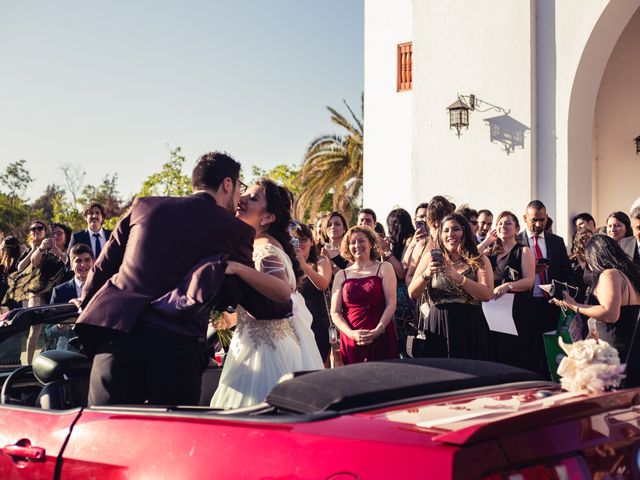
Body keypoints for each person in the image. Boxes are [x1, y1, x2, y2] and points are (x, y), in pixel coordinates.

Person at [76, 151, 293, 407]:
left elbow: (102, 266)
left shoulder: (143, 206)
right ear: (227, 184)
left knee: (106, 431)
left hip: (117, 338)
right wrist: (288, 306)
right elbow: (251, 299)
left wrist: (83, 303)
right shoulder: (235, 230)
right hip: (175, 350)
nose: (239, 197)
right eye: (239, 187)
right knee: (170, 439)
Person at [211, 180, 323, 408]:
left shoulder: (263, 250)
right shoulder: (264, 244)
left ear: (267, 217)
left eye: (253, 198)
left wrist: (237, 268)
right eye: (246, 194)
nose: (242, 199)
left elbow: (281, 291)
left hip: (263, 355)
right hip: (271, 343)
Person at [552, 234, 640, 388]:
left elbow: (610, 314)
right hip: (631, 350)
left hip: (615, 353)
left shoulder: (610, 274)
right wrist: (575, 304)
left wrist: (576, 307)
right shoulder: (628, 275)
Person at [408, 213, 493, 359]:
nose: (450, 234)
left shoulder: (479, 259)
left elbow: (487, 294)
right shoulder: (430, 257)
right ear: (440, 235)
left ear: (465, 231)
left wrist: (458, 278)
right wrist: (427, 274)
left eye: (456, 229)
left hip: (470, 326)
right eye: (446, 230)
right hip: (438, 326)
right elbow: (412, 293)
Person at [330, 226, 398, 364]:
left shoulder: (384, 268)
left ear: (371, 243)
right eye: (352, 242)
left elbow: (391, 303)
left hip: (382, 335)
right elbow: (335, 312)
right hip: (352, 339)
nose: (357, 245)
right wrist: (351, 334)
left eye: (361, 241)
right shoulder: (341, 275)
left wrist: (378, 330)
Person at [486, 212, 535, 370]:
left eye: (508, 223)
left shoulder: (524, 251)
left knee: (515, 354)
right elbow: (470, 258)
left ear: (517, 228)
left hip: (517, 312)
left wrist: (508, 285)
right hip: (493, 312)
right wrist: (487, 241)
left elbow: (529, 281)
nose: (503, 227)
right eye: (500, 224)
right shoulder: (490, 253)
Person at [17, 221, 69, 363]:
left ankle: (54, 359)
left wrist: (55, 250)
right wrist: (36, 249)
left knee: (56, 328)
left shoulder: (55, 246)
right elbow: (20, 267)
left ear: (45, 231)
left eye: (40, 228)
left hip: (54, 292)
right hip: (37, 292)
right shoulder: (31, 249)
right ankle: (28, 365)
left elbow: (68, 263)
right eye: (33, 229)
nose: (36, 231)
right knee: (34, 331)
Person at [292, 222, 332, 362]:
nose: (299, 243)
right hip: (294, 324)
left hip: (317, 324)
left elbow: (323, 284)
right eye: (295, 239)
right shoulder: (287, 263)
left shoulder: (321, 261)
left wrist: (304, 266)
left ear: (311, 241)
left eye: (303, 239)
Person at [46, 243, 94, 351]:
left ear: (93, 262)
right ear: (71, 265)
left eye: (87, 260)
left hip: (97, 349)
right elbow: (48, 333)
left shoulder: (103, 287)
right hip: (68, 352)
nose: (83, 265)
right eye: (78, 261)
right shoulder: (59, 292)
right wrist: (61, 327)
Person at [383, 208, 416, 355]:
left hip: (403, 296)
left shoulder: (410, 240)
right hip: (391, 293)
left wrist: (386, 251)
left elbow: (401, 272)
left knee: (406, 341)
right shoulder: (392, 242)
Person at [405, 196, 455, 286]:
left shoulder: (456, 242)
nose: (437, 224)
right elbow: (409, 278)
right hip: (427, 298)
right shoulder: (422, 244)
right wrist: (425, 277)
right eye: (434, 219)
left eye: (443, 219)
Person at [569, 228, 594, 304]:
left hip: (591, 296)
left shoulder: (596, 259)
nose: (586, 240)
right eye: (583, 238)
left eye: (589, 237)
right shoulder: (571, 260)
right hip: (574, 296)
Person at [0, 236, 21, 310]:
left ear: (9, 249)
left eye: (3, 246)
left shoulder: (18, 264)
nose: (1, 248)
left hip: (13, 299)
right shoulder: (2, 263)